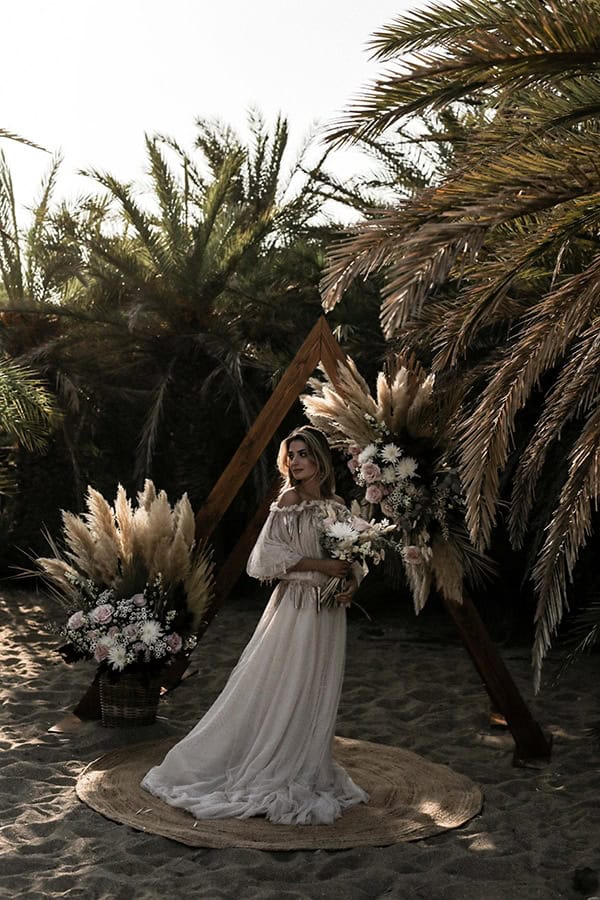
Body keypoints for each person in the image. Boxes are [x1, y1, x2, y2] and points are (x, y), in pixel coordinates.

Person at [141, 425, 369, 825]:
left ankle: (307, 762)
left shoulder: (336, 504)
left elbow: (353, 557)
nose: (295, 462)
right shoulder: (289, 500)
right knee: (290, 681)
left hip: (329, 610)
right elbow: (265, 560)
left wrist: (349, 583)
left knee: (318, 686)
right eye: (291, 455)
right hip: (297, 606)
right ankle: (274, 762)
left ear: (319, 458)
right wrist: (320, 565)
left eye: (303, 453)